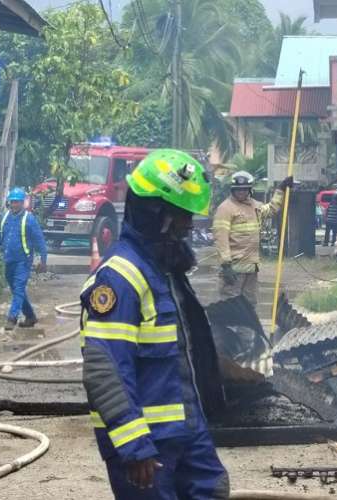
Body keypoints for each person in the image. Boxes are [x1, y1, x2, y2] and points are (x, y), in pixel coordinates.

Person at [80, 149, 229, 499]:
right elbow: (106, 369)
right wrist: (134, 445)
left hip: (186, 431)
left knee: (214, 489)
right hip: (147, 443)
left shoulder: (164, 270)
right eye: (182, 216)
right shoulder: (119, 278)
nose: (188, 225)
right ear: (155, 213)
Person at [212, 171, 293, 307]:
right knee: (231, 305)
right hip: (233, 269)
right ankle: (229, 329)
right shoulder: (225, 209)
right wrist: (226, 265)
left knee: (249, 305)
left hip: (251, 268)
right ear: (233, 189)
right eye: (238, 190)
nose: (241, 193)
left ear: (249, 190)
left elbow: (272, 209)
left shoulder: (255, 206)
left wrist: (281, 189)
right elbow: (221, 238)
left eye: (244, 189)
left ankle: (248, 329)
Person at [0, 187, 48, 330]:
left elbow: (40, 241)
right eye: (12, 202)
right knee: (16, 290)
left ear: (22, 203)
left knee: (19, 288)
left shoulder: (29, 220)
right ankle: (30, 316)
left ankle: (12, 318)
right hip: (9, 260)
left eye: (17, 202)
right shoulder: (4, 218)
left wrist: (42, 259)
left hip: (23, 261)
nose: (14, 205)